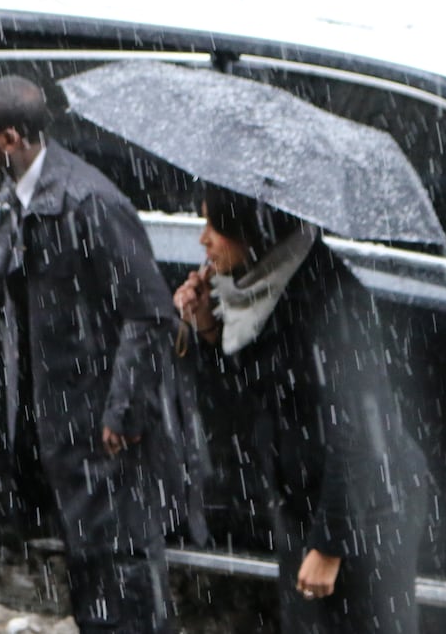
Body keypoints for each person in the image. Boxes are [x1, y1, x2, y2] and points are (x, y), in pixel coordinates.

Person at [0, 75, 179, 634]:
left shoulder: (88, 203)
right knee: (90, 570)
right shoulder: (23, 192)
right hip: (64, 418)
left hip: (102, 425)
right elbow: (2, 265)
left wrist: (123, 413)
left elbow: (151, 312)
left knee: (121, 571)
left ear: (8, 137)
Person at [173, 184, 429, 634]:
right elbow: (258, 394)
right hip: (304, 498)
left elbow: (359, 428)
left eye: (216, 227)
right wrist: (209, 327)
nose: (203, 239)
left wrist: (330, 545)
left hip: (368, 506)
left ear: (254, 231)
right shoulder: (262, 290)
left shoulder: (328, 299)